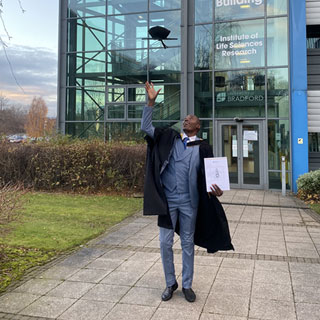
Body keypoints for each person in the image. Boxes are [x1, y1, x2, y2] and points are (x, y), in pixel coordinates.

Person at [141, 81, 234, 303]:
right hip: (168, 201)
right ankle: (170, 282)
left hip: (190, 202)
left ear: (198, 126)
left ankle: (187, 284)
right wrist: (150, 103)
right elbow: (146, 128)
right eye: (185, 118)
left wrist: (216, 190)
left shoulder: (203, 147)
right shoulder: (169, 138)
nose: (186, 119)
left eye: (191, 119)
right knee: (164, 243)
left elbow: (212, 176)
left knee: (187, 243)